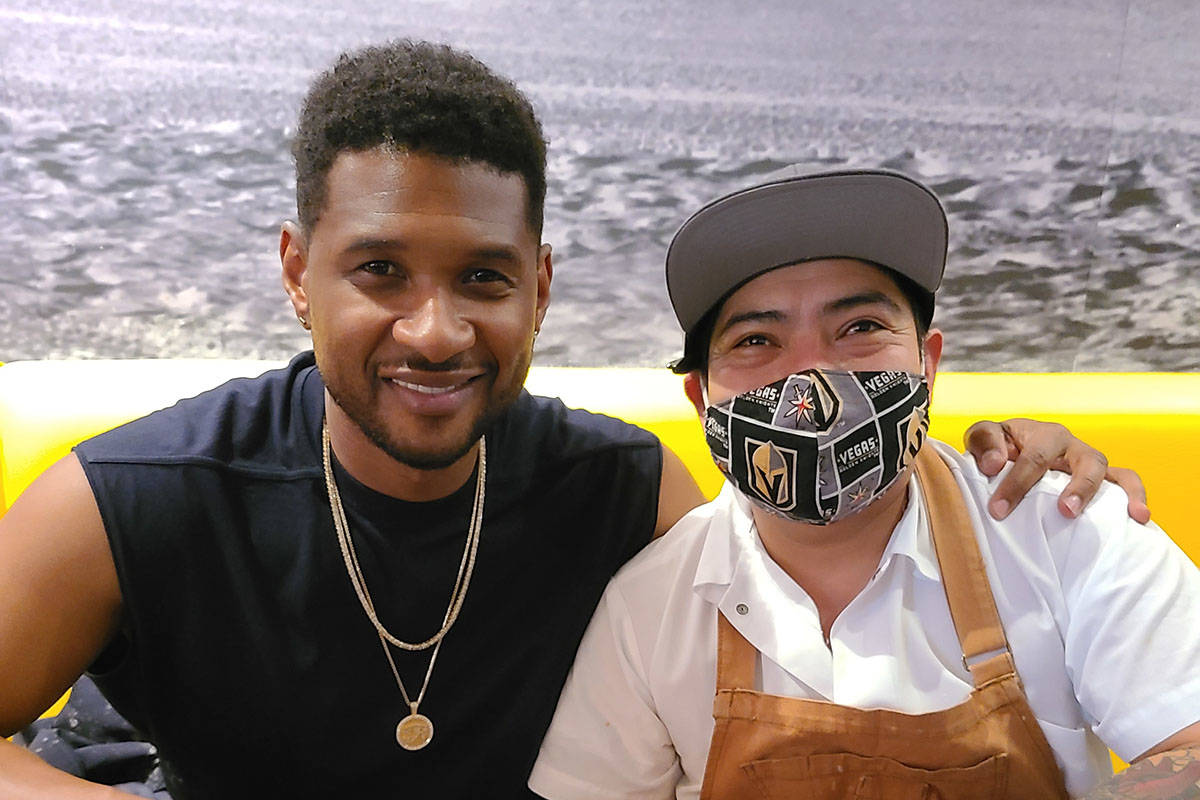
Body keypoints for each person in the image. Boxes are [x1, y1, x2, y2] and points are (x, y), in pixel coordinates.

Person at [0, 42, 1149, 800]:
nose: (435, 329)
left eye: (486, 280)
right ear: (300, 271)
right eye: (382, 270)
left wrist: (1003, 461)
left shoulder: (624, 492)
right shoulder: (134, 495)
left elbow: (818, 563)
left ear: (542, 286)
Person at [529, 168, 1200, 799]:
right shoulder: (649, 608)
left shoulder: (1065, 531)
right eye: (758, 341)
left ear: (927, 365)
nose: (814, 379)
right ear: (703, 401)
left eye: (860, 329)